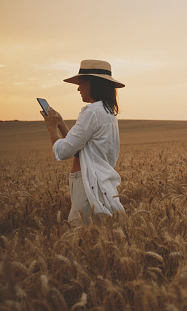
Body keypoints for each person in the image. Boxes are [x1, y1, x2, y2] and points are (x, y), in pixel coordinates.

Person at [41, 59, 125, 225]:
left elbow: (64, 151)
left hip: (86, 181)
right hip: (99, 179)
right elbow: (80, 147)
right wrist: (61, 124)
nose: (78, 88)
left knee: (78, 232)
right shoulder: (108, 112)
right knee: (95, 232)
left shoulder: (91, 112)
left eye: (80, 82)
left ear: (92, 84)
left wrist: (51, 128)